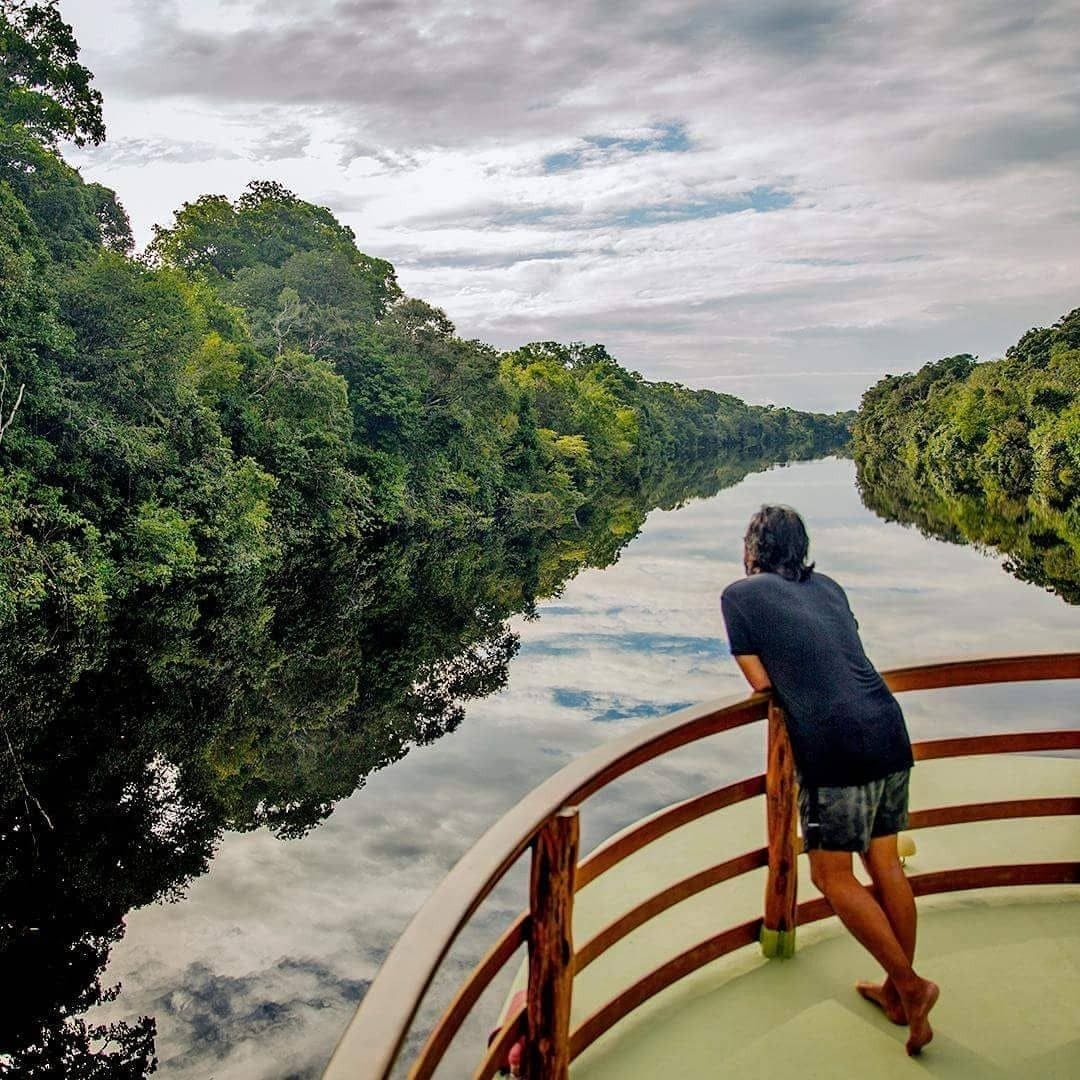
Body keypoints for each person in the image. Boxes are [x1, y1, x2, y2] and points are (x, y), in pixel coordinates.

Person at [720, 505, 939, 1055]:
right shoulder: (830, 586)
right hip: (887, 726)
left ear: (753, 548)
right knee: (885, 863)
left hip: (835, 744)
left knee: (832, 876)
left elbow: (761, 681)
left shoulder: (739, 596)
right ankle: (895, 992)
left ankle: (912, 988)